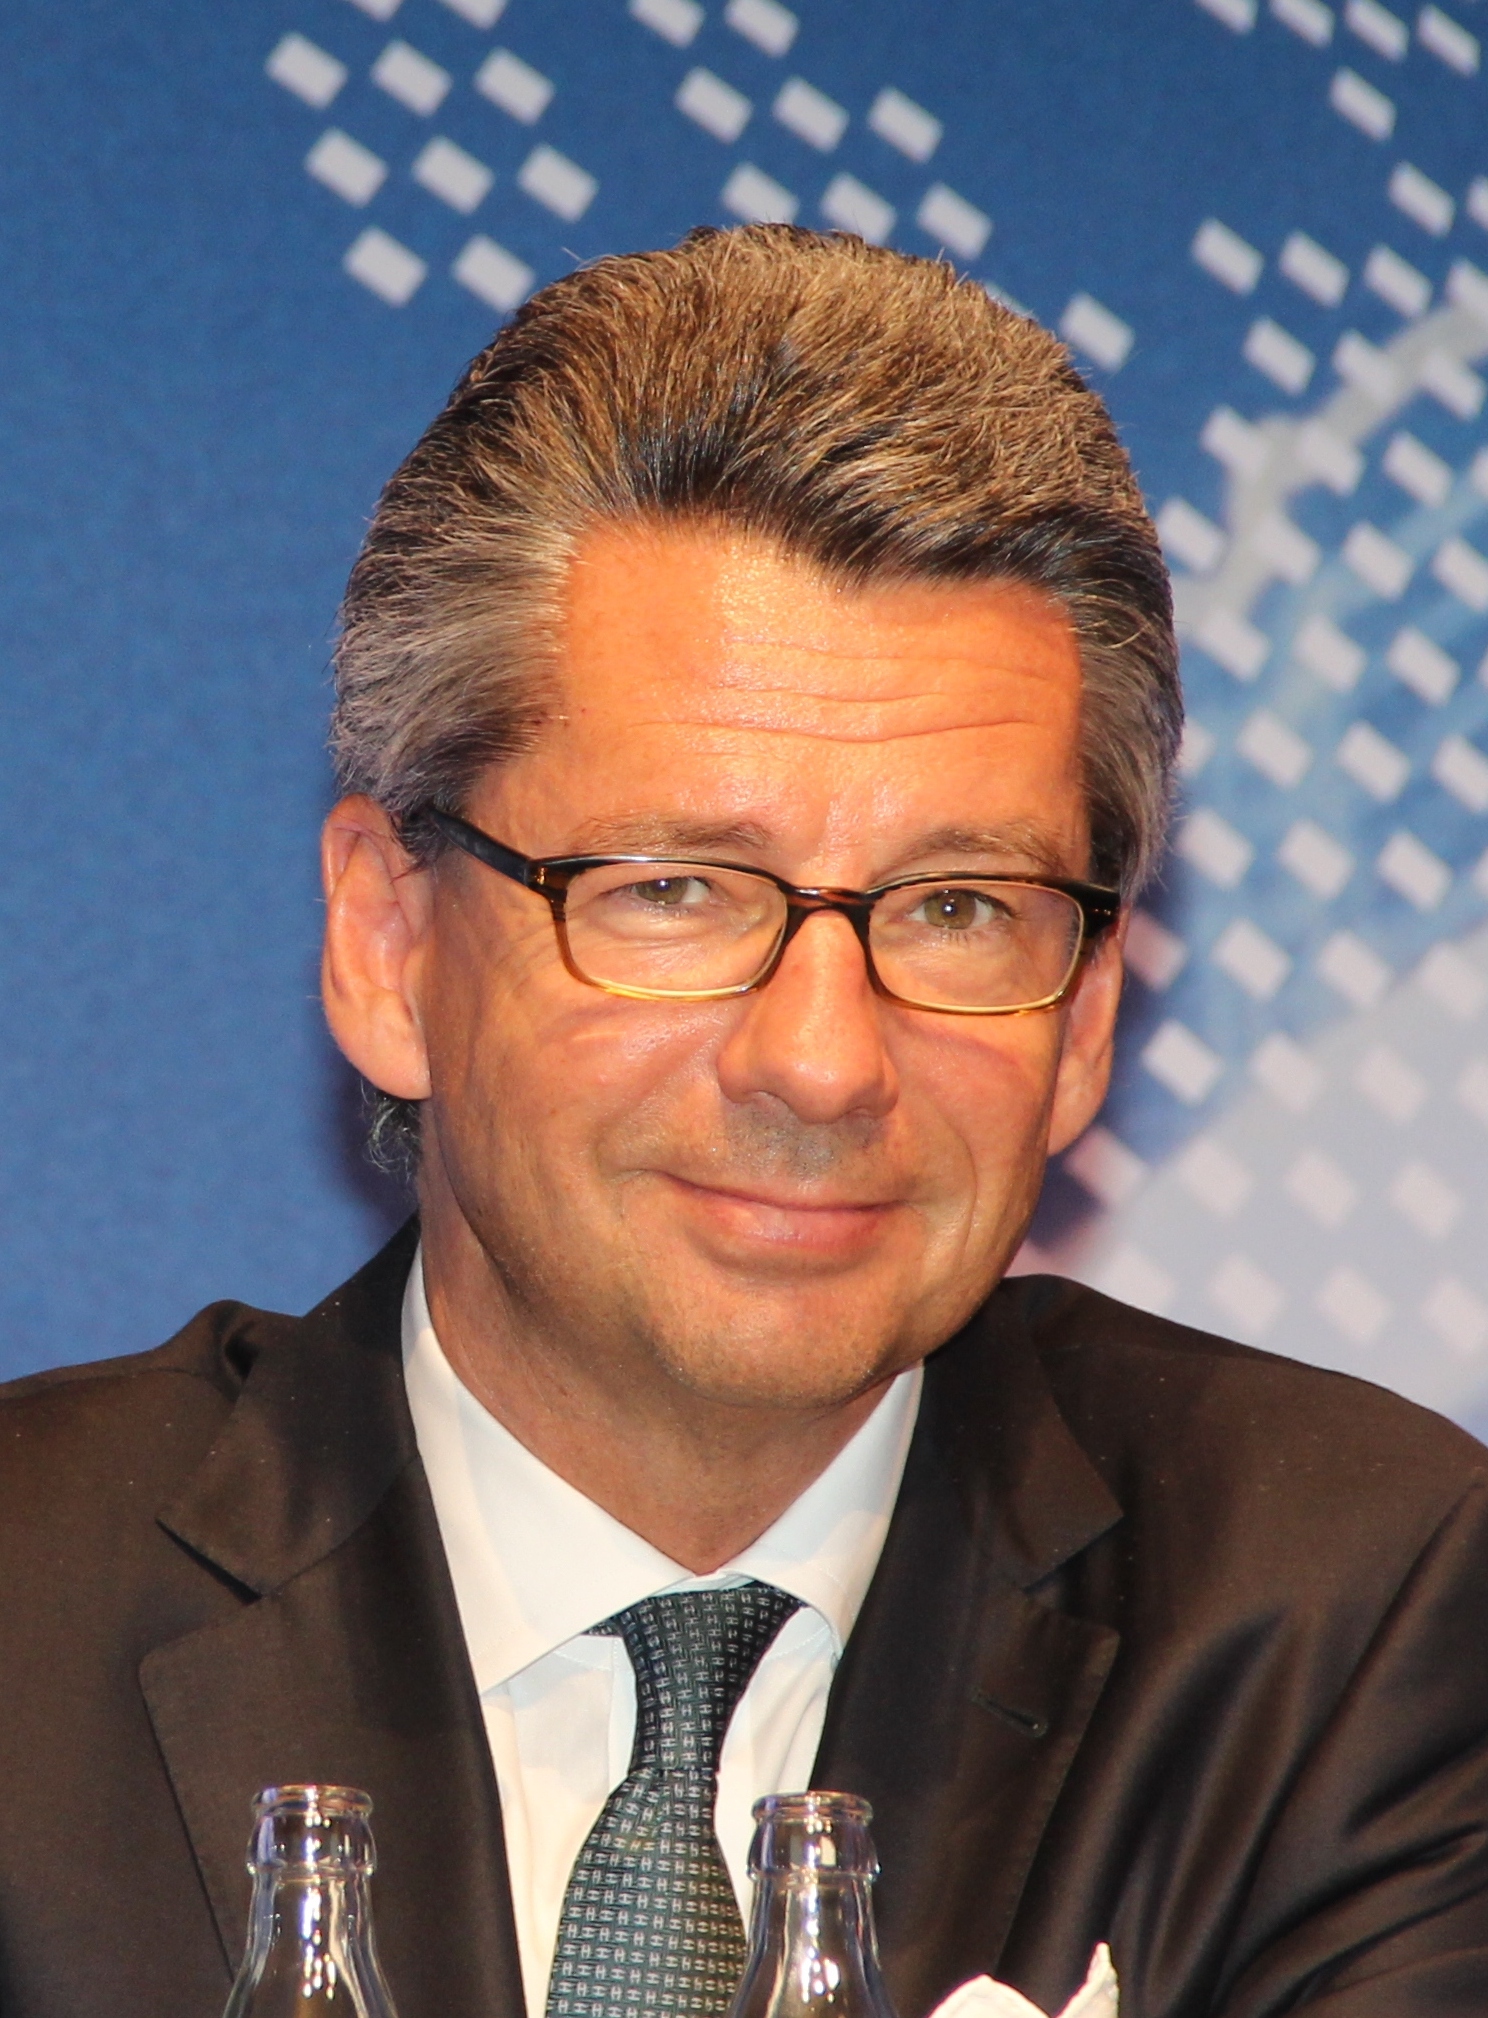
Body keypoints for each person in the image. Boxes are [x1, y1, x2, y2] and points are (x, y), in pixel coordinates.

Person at [2, 225, 1487, 2018]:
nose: (824, 1062)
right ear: (390, 944)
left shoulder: (1354, 1621)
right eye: (678, 891)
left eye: (959, 908)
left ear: (1090, 1012)